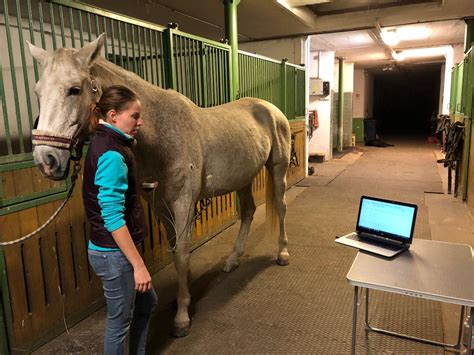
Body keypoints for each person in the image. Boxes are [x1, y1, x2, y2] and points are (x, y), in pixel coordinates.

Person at [83, 85, 158, 354]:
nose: (140, 122)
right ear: (113, 115)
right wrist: (138, 265)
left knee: (147, 303)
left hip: (112, 251)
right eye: (135, 116)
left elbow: (107, 193)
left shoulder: (109, 142)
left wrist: (137, 189)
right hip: (113, 254)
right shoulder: (113, 152)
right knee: (119, 323)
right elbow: (112, 217)